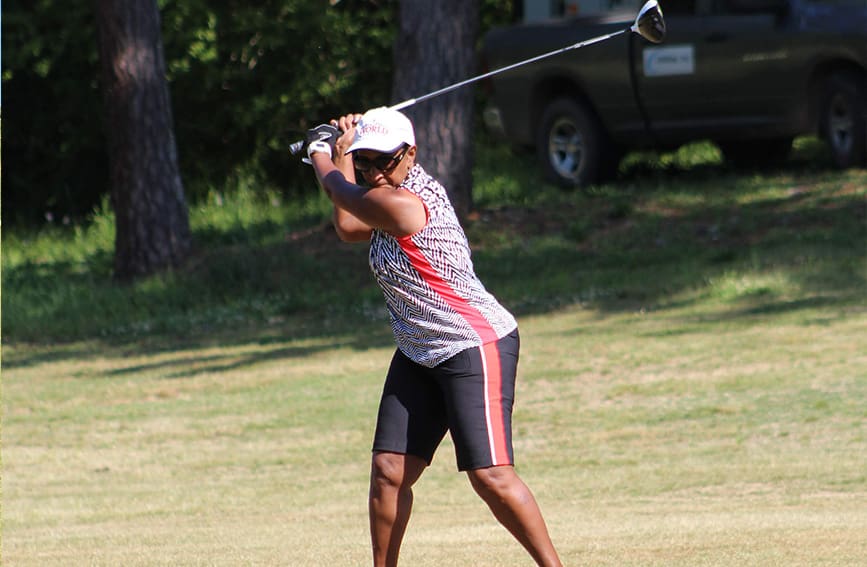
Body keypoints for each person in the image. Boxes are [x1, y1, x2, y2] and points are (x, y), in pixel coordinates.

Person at [305, 107, 562, 567]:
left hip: (471, 342)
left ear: (411, 155)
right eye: (367, 162)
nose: (376, 171)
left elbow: (339, 191)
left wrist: (323, 152)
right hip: (417, 350)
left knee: (490, 476)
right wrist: (345, 151)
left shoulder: (406, 203)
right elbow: (347, 224)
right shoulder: (380, 193)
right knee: (388, 471)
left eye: (386, 161)